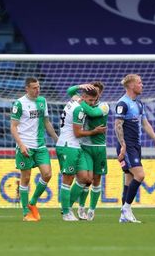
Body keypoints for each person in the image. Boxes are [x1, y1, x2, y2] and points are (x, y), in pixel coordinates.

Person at [115, 74, 155, 223]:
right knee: (140, 175)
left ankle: (124, 215)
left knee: (129, 180)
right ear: (131, 86)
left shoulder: (139, 104)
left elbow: (145, 123)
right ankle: (126, 209)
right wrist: (123, 145)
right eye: (140, 83)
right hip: (127, 146)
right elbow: (118, 125)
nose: (142, 85)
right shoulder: (123, 103)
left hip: (136, 145)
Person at [10, 77, 58, 221]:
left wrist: (57, 139)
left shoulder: (42, 101)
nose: (38, 90)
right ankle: (26, 212)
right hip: (25, 146)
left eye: (39, 87)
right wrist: (21, 145)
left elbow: (46, 122)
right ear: (27, 89)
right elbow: (13, 127)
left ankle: (32, 202)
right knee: (25, 178)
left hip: (40, 146)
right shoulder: (19, 104)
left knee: (47, 174)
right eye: (34, 88)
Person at [56, 87, 103, 221]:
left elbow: (70, 91)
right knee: (67, 179)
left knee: (85, 178)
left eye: (94, 101)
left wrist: (81, 86)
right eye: (90, 100)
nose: (92, 103)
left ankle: (68, 206)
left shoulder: (75, 100)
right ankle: (66, 212)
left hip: (76, 146)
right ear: (83, 97)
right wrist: (95, 131)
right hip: (68, 146)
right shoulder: (79, 109)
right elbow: (77, 133)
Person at [67, 82, 109, 221]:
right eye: (90, 92)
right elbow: (70, 91)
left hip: (99, 148)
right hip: (84, 147)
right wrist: (80, 86)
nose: (93, 95)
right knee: (86, 179)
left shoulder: (104, 106)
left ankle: (92, 210)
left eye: (96, 92)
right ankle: (79, 207)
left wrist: (79, 100)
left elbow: (92, 113)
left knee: (96, 180)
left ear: (100, 93)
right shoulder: (85, 102)